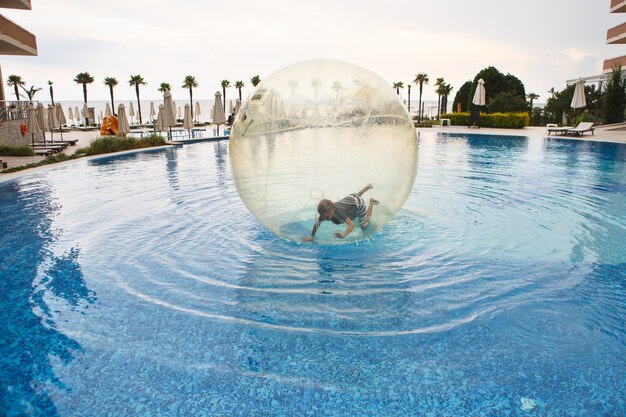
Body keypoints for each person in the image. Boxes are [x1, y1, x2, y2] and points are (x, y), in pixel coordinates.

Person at [303, 183, 379, 242]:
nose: (325, 218)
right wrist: (312, 236)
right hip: (351, 197)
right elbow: (317, 224)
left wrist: (343, 235)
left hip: (358, 203)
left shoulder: (338, 213)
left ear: (332, 211)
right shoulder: (325, 211)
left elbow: (351, 225)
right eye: (324, 217)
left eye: (326, 217)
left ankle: (371, 203)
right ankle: (367, 187)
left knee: (364, 226)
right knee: (356, 196)